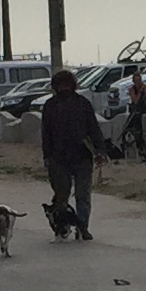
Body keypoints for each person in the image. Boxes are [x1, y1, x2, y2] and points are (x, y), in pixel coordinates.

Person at [36, 67, 108, 240]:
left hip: (63, 156)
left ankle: (69, 226)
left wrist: (47, 156)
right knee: (79, 195)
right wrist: (100, 151)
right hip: (73, 156)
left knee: (66, 194)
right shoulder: (78, 103)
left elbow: (46, 134)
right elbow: (94, 129)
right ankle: (77, 226)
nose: (64, 88)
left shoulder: (54, 105)